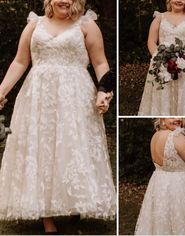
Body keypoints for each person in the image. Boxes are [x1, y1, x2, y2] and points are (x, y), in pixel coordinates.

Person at [0, 0, 116, 234]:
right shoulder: (35, 25)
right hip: (38, 97)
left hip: (76, 96)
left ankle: (75, 200)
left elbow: (100, 62)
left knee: (73, 149)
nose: (64, 0)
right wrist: (1, 91)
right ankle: (47, 218)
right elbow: (20, 61)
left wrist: (104, 91)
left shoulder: (86, 25)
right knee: (42, 151)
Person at [135, 118, 185, 235]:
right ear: (162, 119)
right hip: (180, 187)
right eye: (172, 116)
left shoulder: (155, 136)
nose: (178, 119)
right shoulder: (177, 137)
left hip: (159, 183)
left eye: (180, 116)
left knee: (160, 221)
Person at [138, 0, 185, 115]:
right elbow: (151, 42)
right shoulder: (159, 18)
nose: (179, 0)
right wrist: (161, 59)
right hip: (162, 65)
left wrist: (183, 58)